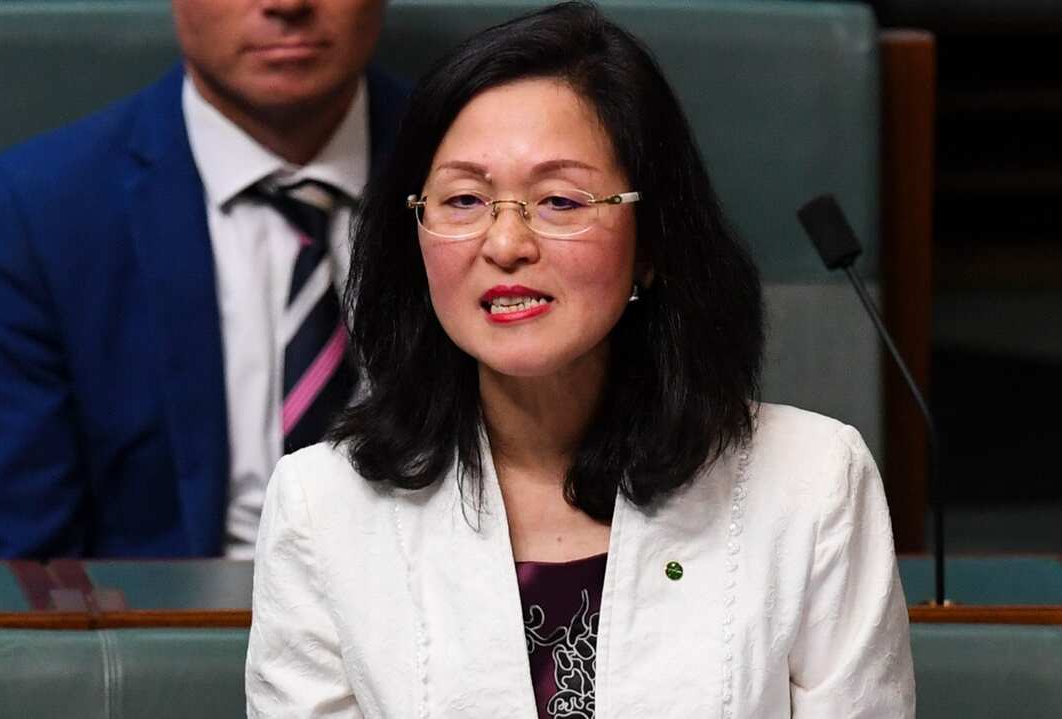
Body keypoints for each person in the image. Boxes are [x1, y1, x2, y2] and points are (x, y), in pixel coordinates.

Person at [245, 2, 913, 716]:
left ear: (651, 242)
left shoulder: (814, 484)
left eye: (560, 200)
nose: (505, 243)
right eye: (464, 199)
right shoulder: (322, 506)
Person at [0, 0, 405, 558]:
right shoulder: (38, 210)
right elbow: (11, 561)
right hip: (172, 626)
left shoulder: (494, 175)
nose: (288, 5)